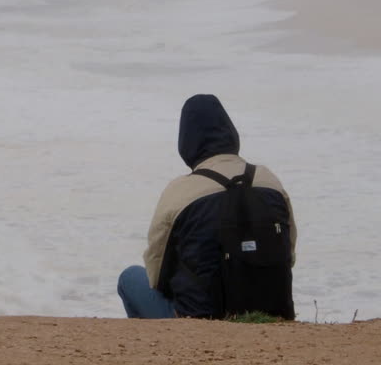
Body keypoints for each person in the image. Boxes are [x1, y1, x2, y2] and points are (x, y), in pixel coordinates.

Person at [117, 94, 297, 319]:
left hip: (200, 318)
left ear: (186, 142)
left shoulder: (180, 191)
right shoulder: (270, 181)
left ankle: (157, 347)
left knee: (129, 278)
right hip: (273, 314)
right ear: (232, 133)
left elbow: (157, 275)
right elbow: (288, 254)